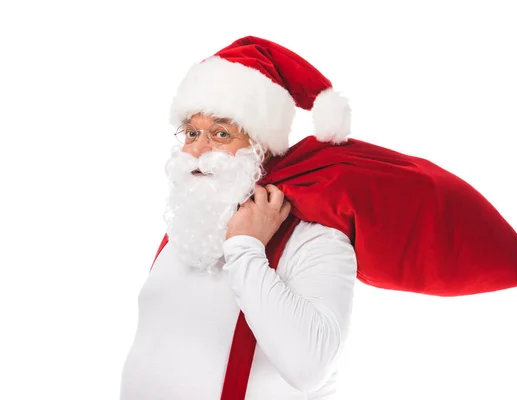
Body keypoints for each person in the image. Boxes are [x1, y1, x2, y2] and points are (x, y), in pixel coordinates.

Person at [119, 36, 358, 399]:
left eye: (220, 133)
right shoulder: (187, 231)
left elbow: (310, 368)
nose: (197, 150)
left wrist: (245, 249)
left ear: (261, 149)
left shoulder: (315, 240)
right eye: (192, 132)